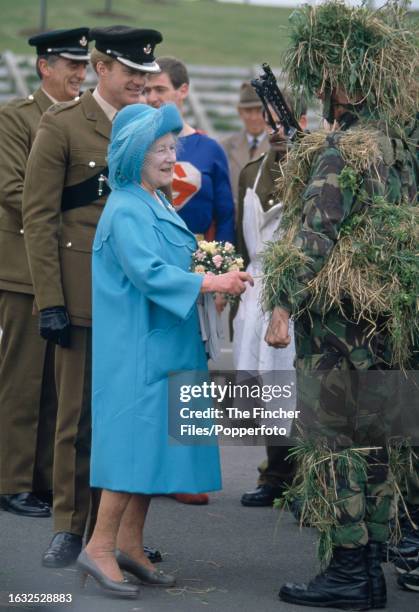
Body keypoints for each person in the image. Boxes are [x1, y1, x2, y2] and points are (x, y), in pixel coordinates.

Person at [261, 1, 418, 609]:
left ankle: (349, 573)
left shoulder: (344, 151)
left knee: (336, 445)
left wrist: (281, 305)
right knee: (381, 444)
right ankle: (371, 571)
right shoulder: (398, 148)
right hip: (388, 318)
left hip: (339, 325)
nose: (322, 88)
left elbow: (313, 238)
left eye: (327, 76)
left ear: (344, 81)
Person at [76, 102, 253, 598]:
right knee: (135, 449)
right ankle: (100, 546)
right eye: (160, 148)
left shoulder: (154, 201)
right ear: (134, 154)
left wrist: (214, 277)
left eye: (172, 146)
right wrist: (211, 278)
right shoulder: (128, 206)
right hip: (141, 351)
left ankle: (129, 546)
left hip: (166, 345)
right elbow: (149, 274)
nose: (170, 155)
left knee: (156, 450)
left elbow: (175, 262)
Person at [22, 25, 164, 569]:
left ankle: (118, 535)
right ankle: (68, 527)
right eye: (131, 72)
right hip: (82, 293)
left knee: (130, 419)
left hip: (136, 296)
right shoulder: (62, 125)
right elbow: (38, 217)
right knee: (76, 420)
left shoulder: (151, 128)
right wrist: (50, 300)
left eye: (146, 74)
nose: (141, 81)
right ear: (102, 68)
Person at [0, 28, 90, 519]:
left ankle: (41, 481)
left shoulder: (78, 121)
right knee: (22, 378)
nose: (80, 73)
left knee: (58, 385)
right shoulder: (16, 119)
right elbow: (14, 191)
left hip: (68, 267)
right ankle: (11, 480)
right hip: (23, 269)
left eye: (83, 65)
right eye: (69, 64)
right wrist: (74, 213)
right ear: (44, 67)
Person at [235, 100, 308, 508]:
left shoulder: (314, 168)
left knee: (295, 386)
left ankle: (304, 478)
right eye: (271, 120)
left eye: (286, 121)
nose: (277, 129)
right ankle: (275, 472)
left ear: (301, 120)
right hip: (255, 285)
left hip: (295, 289)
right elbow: (237, 232)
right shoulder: (251, 171)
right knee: (264, 386)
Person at [144, 56, 235, 245]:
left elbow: (225, 217)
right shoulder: (138, 149)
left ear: (183, 90)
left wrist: (222, 263)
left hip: (198, 258)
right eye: (147, 90)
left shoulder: (210, 149)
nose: (152, 98)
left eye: (160, 90)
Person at [221, 82, 269, 211]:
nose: (254, 117)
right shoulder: (225, 147)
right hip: (234, 223)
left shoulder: (279, 147)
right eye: (248, 111)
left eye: (259, 111)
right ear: (239, 111)